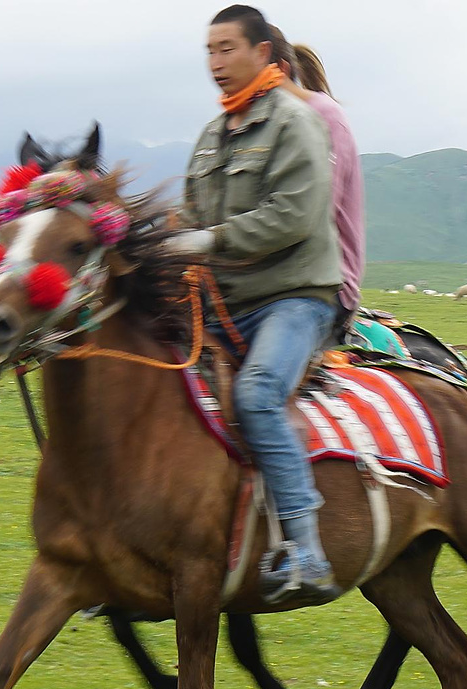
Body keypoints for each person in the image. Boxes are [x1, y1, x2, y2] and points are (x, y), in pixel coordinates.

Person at [166, 5, 343, 607]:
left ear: (264, 53)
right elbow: (191, 212)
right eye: (209, 51)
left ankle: (307, 551)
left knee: (258, 394)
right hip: (223, 303)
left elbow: (294, 215)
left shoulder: (297, 123)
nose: (215, 63)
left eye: (227, 49)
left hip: (292, 298)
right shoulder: (213, 135)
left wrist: (210, 240)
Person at [267, 27, 366, 323]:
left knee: (266, 370)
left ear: (278, 70)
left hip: (320, 281)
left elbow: (314, 211)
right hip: (266, 280)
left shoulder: (324, 116)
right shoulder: (256, 125)